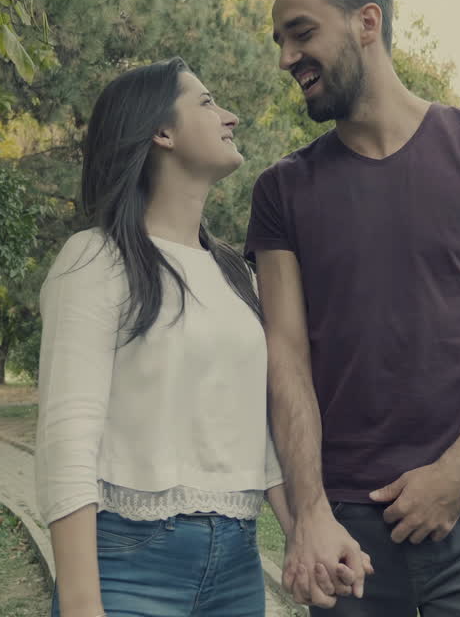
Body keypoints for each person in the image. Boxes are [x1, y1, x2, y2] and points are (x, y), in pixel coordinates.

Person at [246, 0, 460, 616]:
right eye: (280, 41)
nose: (286, 58)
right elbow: (286, 353)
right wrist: (310, 514)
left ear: (367, 22)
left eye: (302, 33)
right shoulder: (282, 191)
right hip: (346, 531)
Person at [35, 57, 299, 617]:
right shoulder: (94, 258)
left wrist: (300, 531)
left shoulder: (236, 272)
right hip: (127, 569)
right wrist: (83, 603)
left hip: (237, 569)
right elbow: (67, 438)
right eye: (206, 102)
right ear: (161, 131)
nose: (229, 116)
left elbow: (258, 430)